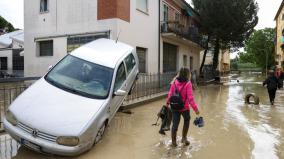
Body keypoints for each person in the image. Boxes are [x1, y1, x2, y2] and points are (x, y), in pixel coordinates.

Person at [166, 67, 200, 146]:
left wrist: (167, 104)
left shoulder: (174, 82)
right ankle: (184, 138)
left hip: (174, 107)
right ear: (188, 74)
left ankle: (174, 142)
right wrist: (196, 109)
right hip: (184, 108)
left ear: (179, 73)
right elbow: (190, 99)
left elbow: (170, 94)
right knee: (187, 120)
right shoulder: (188, 83)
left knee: (175, 124)